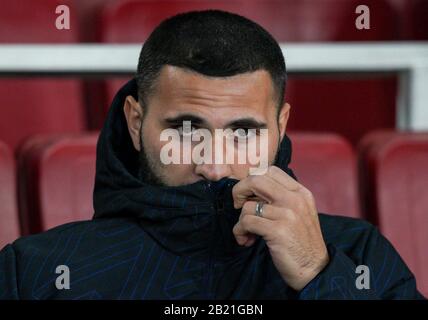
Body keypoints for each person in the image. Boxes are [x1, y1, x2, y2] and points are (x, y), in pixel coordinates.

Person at [0, 10, 424, 300]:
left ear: (281, 125)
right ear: (134, 121)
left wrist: (321, 277)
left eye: (242, 132)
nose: (214, 164)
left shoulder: (355, 255)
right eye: (185, 131)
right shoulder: (36, 272)